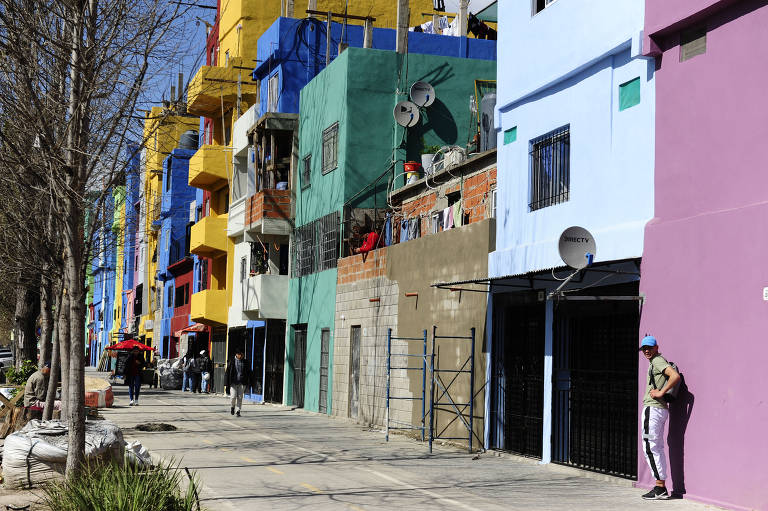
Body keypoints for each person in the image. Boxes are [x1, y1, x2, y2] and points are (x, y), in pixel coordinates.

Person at [639, 335, 681, 500]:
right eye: (644, 349)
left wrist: (661, 392)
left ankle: (660, 487)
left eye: (650, 348)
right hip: (658, 410)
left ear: (657, 347)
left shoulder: (657, 360)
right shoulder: (654, 361)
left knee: (650, 446)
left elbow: (674, 376)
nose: (647, 351)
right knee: (656, 447)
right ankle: (660, 486)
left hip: (653, 409)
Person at [225, 350, 251, 417]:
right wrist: (226, 383)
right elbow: (227, 372)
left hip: (242, 382)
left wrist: (249, 381)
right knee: (233, 397)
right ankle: (232, 407)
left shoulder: (245, 362)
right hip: (233, 382)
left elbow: (249, 372)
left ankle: (238, 411)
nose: (240, 355)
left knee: (240, 397)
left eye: (241, 354)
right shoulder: (232, 361)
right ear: (236, 354)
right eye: (239, 354)